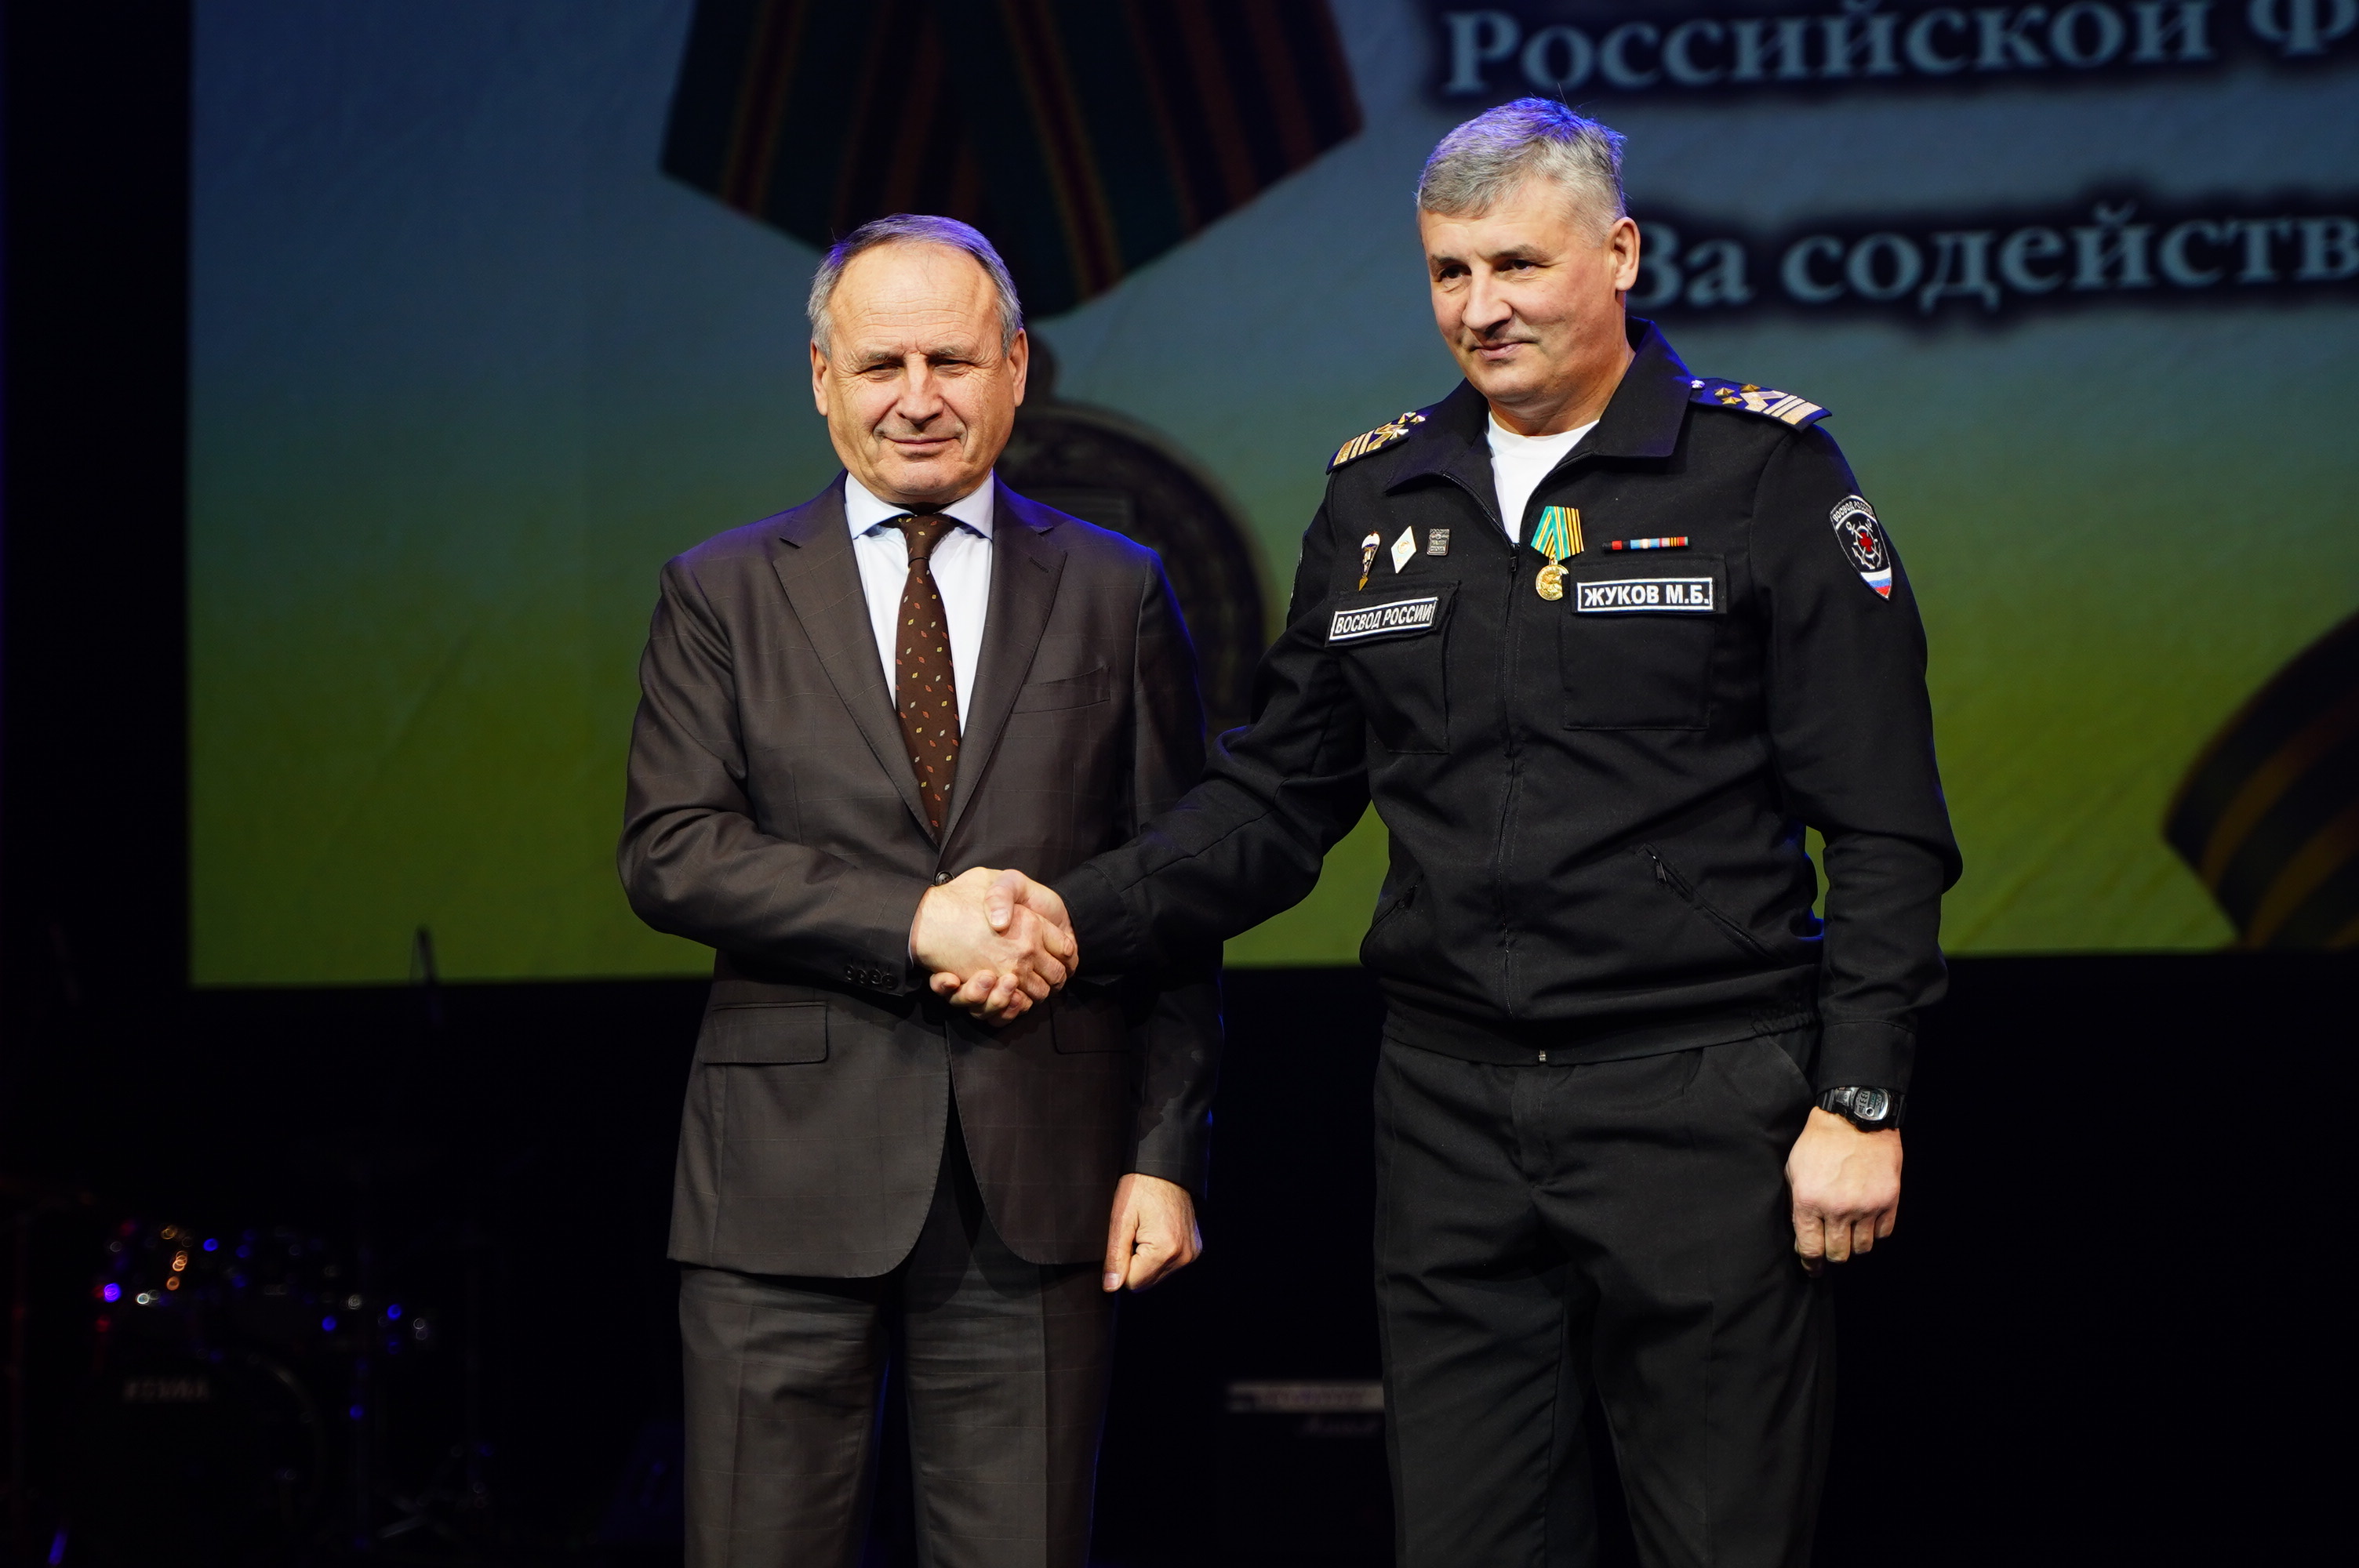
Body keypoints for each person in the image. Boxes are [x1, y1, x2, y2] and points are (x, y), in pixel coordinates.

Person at [936, 101, 1961, 1567]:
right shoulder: (1379, 493)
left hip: (1704, 1102)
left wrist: (1860, 1101)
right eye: (1449, 273)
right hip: (1449, 1116)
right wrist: (1070, 912)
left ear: (1619, 254)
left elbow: (1884, 823)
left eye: (1517, 265)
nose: (1481, 309)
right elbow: (1275, 800)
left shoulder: (1765, 473)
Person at [618, 213, 1217, 1568]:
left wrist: (1165, 1152)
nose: (917, 397)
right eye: (881, 364)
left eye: (950, 360)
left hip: (1043, 1187)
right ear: (820, 378)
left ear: (1016, 366)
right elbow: (672, 848)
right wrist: (913, 921)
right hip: (780, 1188)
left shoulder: (1116, 589)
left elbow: (1174, 890)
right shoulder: (719, 592)